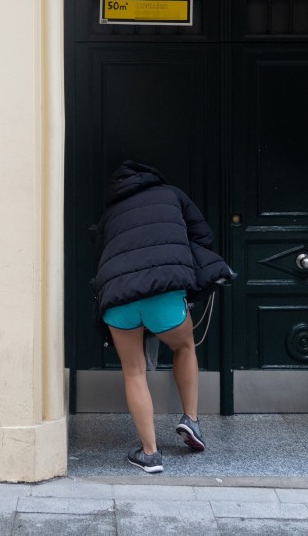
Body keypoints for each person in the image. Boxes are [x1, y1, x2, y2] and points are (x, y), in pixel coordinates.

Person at [92, 159, 234, 473]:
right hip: (164, 292)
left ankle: (150, 454)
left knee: (134, 372)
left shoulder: (111, 212)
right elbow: (203, 236)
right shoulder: (172, 194)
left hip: (119, 297)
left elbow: (99, 252)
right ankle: (191, 420)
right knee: (184, 347)